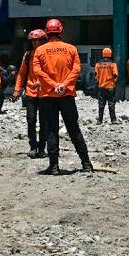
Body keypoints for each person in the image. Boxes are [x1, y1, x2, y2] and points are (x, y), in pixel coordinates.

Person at [31, 19, 93, 175]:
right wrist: (64, 84)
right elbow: (77, 69)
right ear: (61, 31)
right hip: (66, 95)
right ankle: (86, 164)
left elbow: (38, 72)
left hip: (48, 96)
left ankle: (54, 167)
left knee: (51, 130)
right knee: (74, 129)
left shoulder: (40, 51)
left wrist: (53, 85)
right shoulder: (71, 49)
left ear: (47, 32)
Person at [11, 29, 46, 158]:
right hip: (31, 92)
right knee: (31, 120)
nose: (35, 43)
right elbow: (22, 74)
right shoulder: (28, 55)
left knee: (44, 122)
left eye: (37, 40)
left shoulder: (47, 54)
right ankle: (33, 146)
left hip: (44, 93)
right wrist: (16, 90)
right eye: (33, 41)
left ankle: (42, 147)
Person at [93, 47, 118, 124]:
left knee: (101, 104)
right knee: (111, 104)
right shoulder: (113, 64)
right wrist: (113, 82)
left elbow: (96, 76)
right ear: (110, 54)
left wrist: (100, 81)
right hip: (110, 87)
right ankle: (113, 120)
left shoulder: (98, 64)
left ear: (103, 54)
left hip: (101, 87)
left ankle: (100, 120)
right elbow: (115, 75)